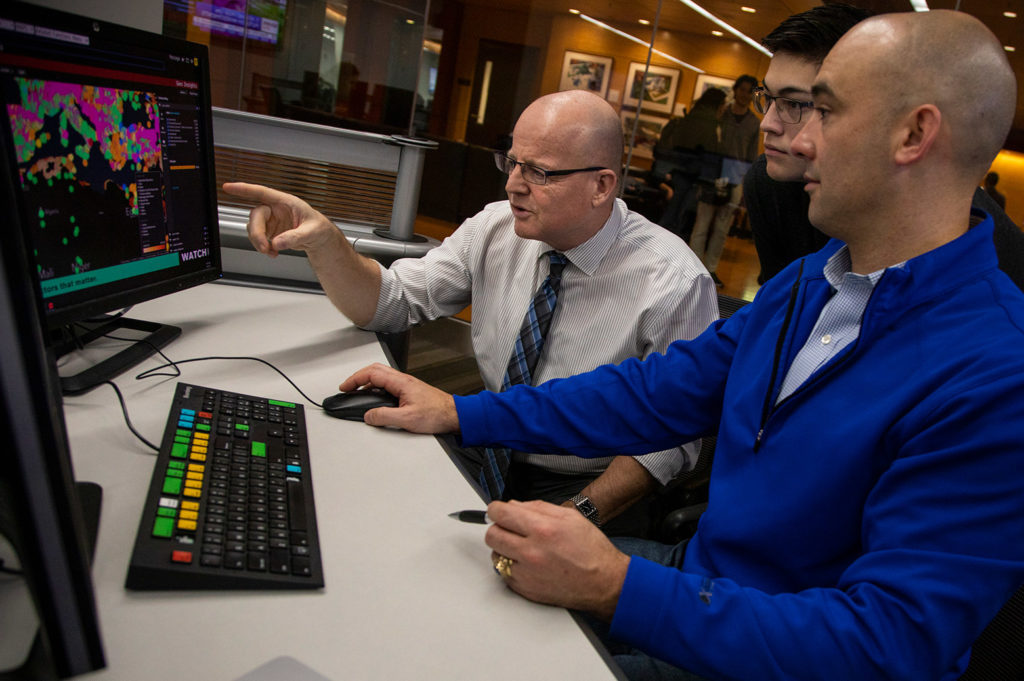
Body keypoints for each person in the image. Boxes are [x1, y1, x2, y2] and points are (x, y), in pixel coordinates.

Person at [337, 11, 1024, 680]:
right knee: (446, 575)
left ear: (913, 133)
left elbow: (889, 642)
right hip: (703, 579)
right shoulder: (809, 282)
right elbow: (653, 393)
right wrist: (463, 413)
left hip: (770, 640)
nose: (796, 140)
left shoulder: (995, 372)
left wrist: (614, 586)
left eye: (824, 110)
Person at [223, 90, 718, 537]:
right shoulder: (497, 228)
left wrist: (579, 513)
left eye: (538, 172)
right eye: (512, 162)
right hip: (488, 441)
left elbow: (667, 442)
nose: (514, 186)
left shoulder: (672, 282)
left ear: (602, 186)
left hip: (589, 480)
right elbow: (389, 304)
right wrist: (327, 244)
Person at [745, 5, 1024, 289]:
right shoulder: (770, 183)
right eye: (767, 98)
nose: (767, 124)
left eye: (796, 105)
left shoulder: (991, 261)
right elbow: (781, 317)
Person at [688, 74, 759, 286]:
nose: (745, 95)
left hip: (734, 179)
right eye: (742, 89)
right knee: (702, 223)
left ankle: (710, 269)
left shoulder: (754, 123)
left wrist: (746, 183)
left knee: (722, 228)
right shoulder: (721, 113)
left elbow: (751, 154)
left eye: (749, 91)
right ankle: (692, 265)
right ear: (736, 90)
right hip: (711, 175)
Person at [653, 87, 726, 240]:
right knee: (679, 222)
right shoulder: (711, 126)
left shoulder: (688, 119)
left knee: (669, 217)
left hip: (676, 173)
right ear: (718, 105)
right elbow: (711, 154)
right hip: (693, 176)